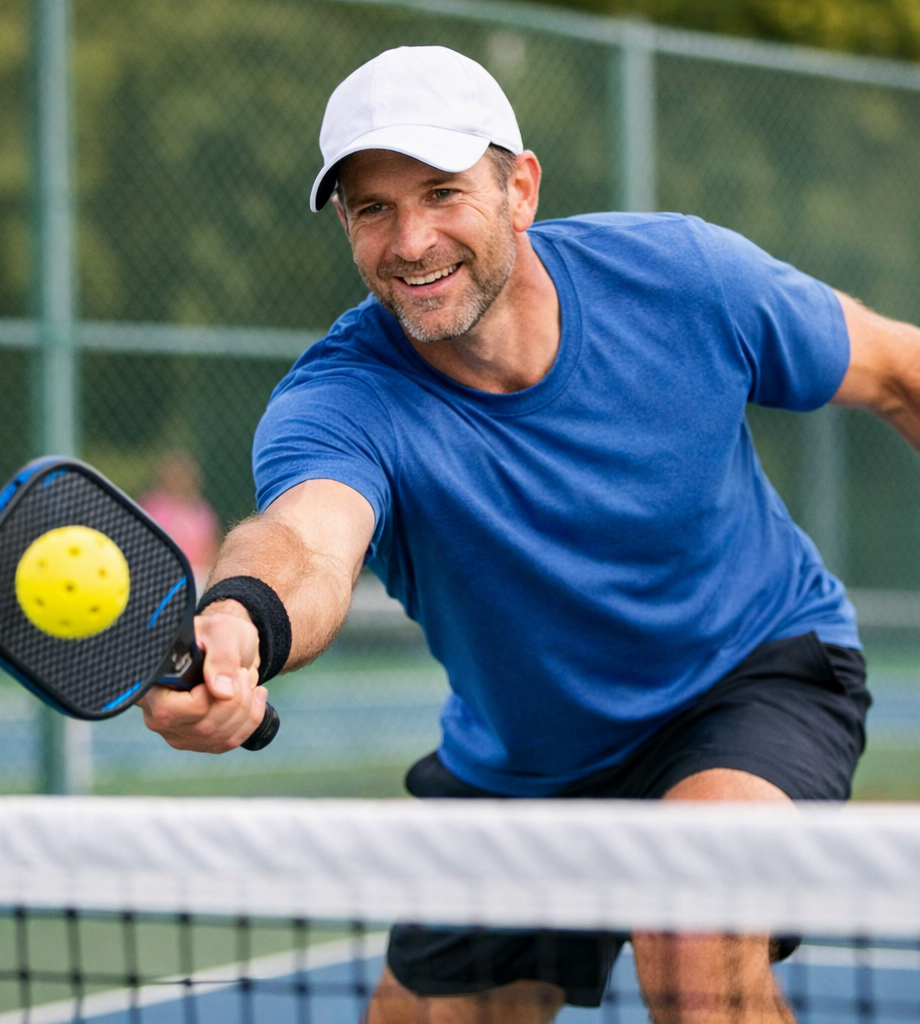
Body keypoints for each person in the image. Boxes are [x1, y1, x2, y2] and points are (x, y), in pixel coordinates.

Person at [139, 44, 920, 1023]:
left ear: (520, 189)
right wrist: (239, 621)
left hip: (748, 674)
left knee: (692, 920)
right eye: (373, 208)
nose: (411, 240)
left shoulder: (687, 280)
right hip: (524, 761)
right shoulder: (338, 400)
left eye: (442, 192)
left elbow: (901, 371)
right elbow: (305, 542)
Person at [139, 451, 221, 589]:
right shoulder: (152, 507)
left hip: (197, 578)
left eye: (184, 475)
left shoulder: (202, 511)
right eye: (175, 475)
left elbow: (212, 549)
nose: (179, 480)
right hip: (160, 575)